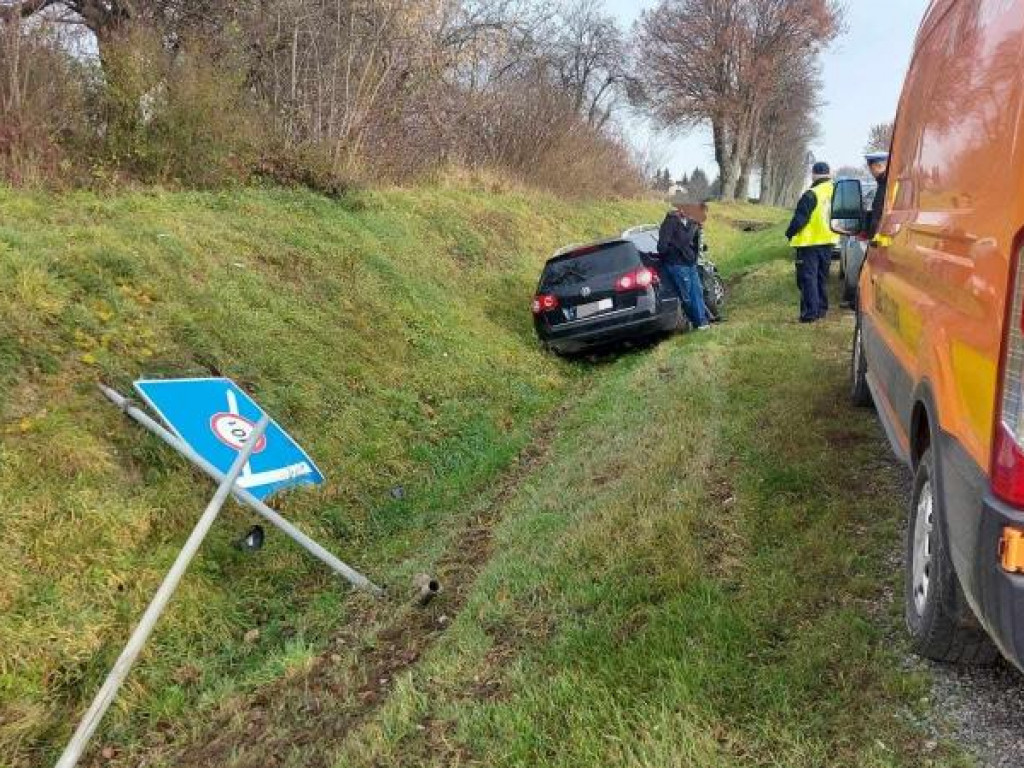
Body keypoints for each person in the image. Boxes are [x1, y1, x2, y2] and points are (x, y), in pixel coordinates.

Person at [785, 161, 840, 323]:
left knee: (808, 279)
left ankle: (810, 314)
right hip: (829, 240)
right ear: (828, 173)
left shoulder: (811, 193)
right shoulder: (835, 191)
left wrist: (789, 233)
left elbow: (799, 219)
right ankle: (822, 309)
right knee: (822, 277)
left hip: (810, 243)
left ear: (814, 174)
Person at [657, 192, 710, 330]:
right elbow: (662, 247)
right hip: (677, 265)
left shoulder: (691, 222)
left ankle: (702, 322)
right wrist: (677, 253)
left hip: (690, 263)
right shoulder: (671, 221)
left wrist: (693, 254)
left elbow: (693, 243)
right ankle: (697, 323)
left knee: (697, 293)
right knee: (687, 297)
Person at [864, 151, 889, 236]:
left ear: (879, 166)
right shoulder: (885, 183)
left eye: (871, 168)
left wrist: (871, 235)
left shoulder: (885, 185)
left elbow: (878, 215)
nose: (871, 172)